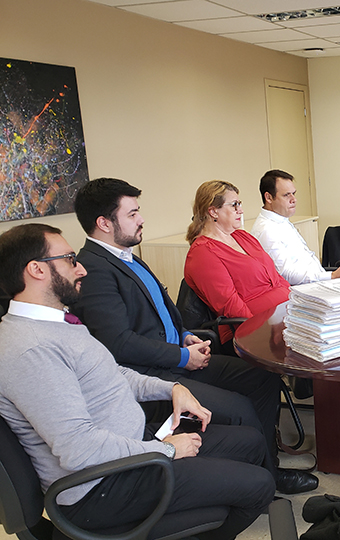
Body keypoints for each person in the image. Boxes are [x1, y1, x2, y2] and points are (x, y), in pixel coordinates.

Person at [0, 224, 276, 539]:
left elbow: (112, 373)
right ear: (36, 270)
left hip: (133, 451)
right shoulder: (29, 350)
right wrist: (166, 451)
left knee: (251, 443)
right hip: (102, 487)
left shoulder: (56, 324)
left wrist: (173, 388)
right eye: (69, 259)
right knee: (259, 486)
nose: (81, 269)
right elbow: (79, 450)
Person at [71, 178, 317, 495]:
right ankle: (265, 478)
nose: (141, 219)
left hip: (176, 356)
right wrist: (182, 357)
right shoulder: (94, 270)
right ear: (104, 223)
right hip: (152, 373)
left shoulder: (125, 256)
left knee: (262, 379)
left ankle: (265, 462)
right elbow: (119, 344)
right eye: (132, 214)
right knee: (241, 407)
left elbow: (161, 313)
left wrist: (184, 334)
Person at [184, 180, 291, 343]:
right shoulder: (202, 252)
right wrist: (262, 332)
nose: (240, 210)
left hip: (284, 318)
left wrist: (299, 306)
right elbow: (231, 306)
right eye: (234, 205)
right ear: (213, 211)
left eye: (239, 204)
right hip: (249, 331)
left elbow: (277, 278)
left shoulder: (243, 236)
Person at [251, 169, 340, 285]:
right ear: (269, 197)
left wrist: (331, 276)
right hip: (302, 290)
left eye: (294, 193)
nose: (294, 200)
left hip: (319, 281)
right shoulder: (266, 230)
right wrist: (332, 275)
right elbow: (286, 274)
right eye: (287, 195)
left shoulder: (282, 220)